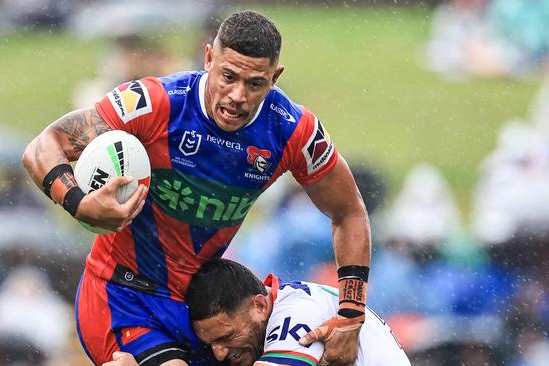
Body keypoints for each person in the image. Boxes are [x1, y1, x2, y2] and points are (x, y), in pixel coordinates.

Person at [22, 10, 371, 366]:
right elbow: (43, 147)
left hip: (199, 313)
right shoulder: (158, 103)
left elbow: (349, 211)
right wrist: (80, 205)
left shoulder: (293, 131)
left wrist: (351, 316)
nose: (237, 95)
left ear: (275, 78)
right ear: (208, 58)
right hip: (121, 296)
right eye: (228, 76)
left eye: (255, 84)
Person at [103, 258, 409, 366]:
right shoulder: (275, 313)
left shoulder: (297, 311)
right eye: (212, 345)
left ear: (260, 305)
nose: (219, 354)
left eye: (226, 336)